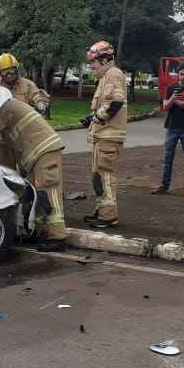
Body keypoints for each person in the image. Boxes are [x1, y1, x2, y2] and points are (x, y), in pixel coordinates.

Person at [0, 96, 67, 252]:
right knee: (36, 195)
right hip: (36, 155)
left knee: (48, 192)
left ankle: (58, 237)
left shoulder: (4, 109)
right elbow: (3, 154)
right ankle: (41, 231)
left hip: (44, 151)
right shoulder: (6, 109)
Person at [80, 41, 127, 228]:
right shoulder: (107, 76)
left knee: (105, 176)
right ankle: (102, 211)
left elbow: (115, 103)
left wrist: (96, 118)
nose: (91, 66)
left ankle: (108, 216)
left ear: (105, 59)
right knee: (98, 176)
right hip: (103, 136)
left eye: (94, 62)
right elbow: (106, 105)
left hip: (109, 136)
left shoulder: (114, 74)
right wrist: (91, 118)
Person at [152, 60, 184, 196]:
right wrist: (173, 99)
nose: (183, 77)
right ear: (178, 74)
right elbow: (165, 107)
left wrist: (175, 101)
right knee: (167, 158)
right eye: (181, 74)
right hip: (171, 127)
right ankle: (164, 186)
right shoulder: (170, 88)